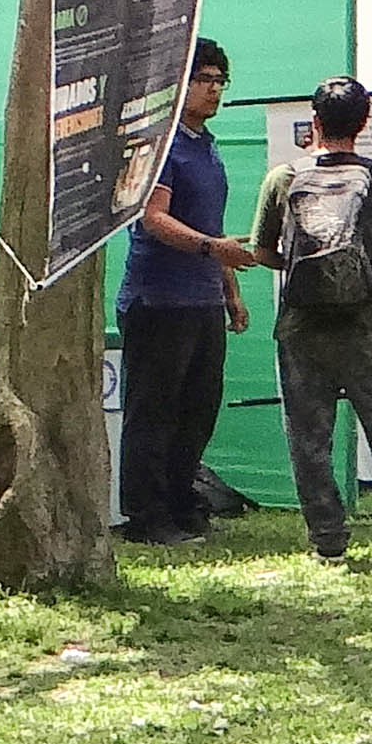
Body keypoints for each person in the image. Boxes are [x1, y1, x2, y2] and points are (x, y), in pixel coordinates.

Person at [255, 74, 372, 565]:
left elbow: (264, 251)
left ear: (313, 121)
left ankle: (328, 542)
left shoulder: (284, 178)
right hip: (365, 328)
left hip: (301, 329)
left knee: (308, 436)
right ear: (365, 121)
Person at [118, 39, 253, 547]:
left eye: (221, 80)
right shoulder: (160, 143)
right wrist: (210, 248)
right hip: (158, 299)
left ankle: (182, 502)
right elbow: (153, 219)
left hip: (203, 300)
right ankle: (145, 517)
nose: (214, 90)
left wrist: (230, 291)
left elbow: (212, 228)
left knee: (198, 408)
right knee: (153, 411)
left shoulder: (207, 145)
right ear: (180, 83)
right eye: (205, 79)